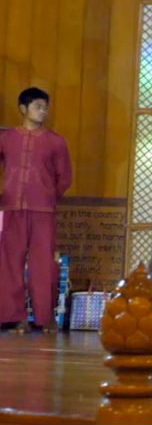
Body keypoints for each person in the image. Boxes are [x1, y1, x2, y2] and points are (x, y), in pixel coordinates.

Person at [0, 87, 72, 333]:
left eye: (45, 107)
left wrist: (48, 195)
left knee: (43, 264)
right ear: (23, 109)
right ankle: (15, 317)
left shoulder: (56, 141)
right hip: (12, 207)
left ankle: (45, 317)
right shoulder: (7, 138)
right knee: (10, 263)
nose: (43, 112)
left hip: (43, 210)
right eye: (37, 107)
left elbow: (65, 177)